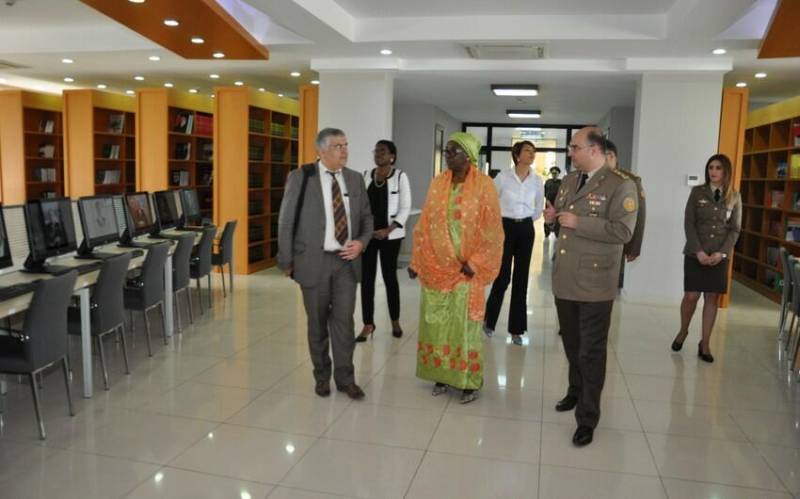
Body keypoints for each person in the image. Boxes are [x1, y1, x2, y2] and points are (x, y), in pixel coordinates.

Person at [543, 126, 638, 447]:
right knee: (572, 344)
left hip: (596, 283)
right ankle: (575, 391)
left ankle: (587, 417)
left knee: (591, 351)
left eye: (575, 147)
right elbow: (561, 225)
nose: (571, 152)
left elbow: (622, 231)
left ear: (594, 150)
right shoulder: (569, 182)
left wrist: (578, 222)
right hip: (566, 278)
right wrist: (553, 217)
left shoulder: (620, 185)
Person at [277, 128, 373, 400]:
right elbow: (285, 220)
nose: (344, 151)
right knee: (317, 324)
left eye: (345, 145)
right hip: (313, 262)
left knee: (344, 323)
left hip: (346, 263)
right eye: (337, 146)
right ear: (320, 151)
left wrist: (362, 243)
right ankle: (322, 376)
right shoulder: (301, 177)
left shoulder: (354, 180)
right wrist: (286, 260)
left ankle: (345, 379)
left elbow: (367, 218)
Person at [409, 132, 503, 404]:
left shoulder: (484, 185)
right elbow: (425, 223)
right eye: (447, 151)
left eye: (454, 151)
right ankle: (441, 375)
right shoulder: (438, 183)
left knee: (463, 326)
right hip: (437, 266)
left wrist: (475, 262)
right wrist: (417, 260)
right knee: (437, 324)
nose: (448, 155)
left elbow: (493, 229)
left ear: (469, 155)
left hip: (466, 271)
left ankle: (467, 382)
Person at [671, 154, 741, 363]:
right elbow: (689, 223)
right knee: (691, 296)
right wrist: (699, 252)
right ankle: (683, 331)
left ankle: (706, 343)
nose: (713, 171)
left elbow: (735, 229)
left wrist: (721, 253)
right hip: (695, 253)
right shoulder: (697, 192)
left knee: (712, 298)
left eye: (718, 167)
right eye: (711, 167)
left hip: (720, 256)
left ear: (725, 171)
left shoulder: (734, 196)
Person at [483, 140, 544, 345]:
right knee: (502, 277)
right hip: (505, 228)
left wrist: (525, 221)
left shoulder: (537, 180)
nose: (532, 154)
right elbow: (490, 202)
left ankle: (516, 331)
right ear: (517, 155)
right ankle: (489, 322)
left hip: (526, 229)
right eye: (527, 151)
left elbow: (538, 209)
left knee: (521, 279)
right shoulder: (502, 177)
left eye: (533, 151)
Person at [357, 140, 412, 341]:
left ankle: (395, 321)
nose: (378, 154)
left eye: (383, 151)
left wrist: (388, 230)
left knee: (390, 279)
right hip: (369, 237)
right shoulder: (366, 176)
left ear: (392, 156)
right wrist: (366, 231)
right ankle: (368, 324)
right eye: (376, 151)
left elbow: (405, 207)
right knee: (367, 281)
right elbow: (361, 206)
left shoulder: (400, 177)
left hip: (391, 236)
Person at [605, 140, 646, 288]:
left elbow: (639, 215)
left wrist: (634, 247)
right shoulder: (590, 178)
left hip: (616, 241)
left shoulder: (629, 180)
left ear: (610, 156)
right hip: (592, 239)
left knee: (610, 284)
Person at [544, 166, 562, 239]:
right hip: (548, 204)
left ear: (558, 174)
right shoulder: (548, 182)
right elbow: (545, 192)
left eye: (555, 173)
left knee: (557, 220)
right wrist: (547, 201)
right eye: (553, 173)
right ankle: (546, 235)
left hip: (557, 205)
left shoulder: (561, 182)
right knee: (547, 220)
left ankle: (557, 235)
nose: (554, 174)